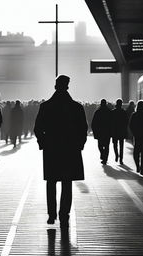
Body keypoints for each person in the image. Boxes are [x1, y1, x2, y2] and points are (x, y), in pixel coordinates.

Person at [34, 75, 87, 228]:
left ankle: (51, 214)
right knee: (67, 183)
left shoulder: (46, 106)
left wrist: (43, 143)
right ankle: (64, 214)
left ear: (55, 86)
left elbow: (38, 128)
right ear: (67, 87)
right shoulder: (76, 107)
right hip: (70, 150)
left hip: (52, 149)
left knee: (51, 182)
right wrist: (79, 145)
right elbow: (83, 129)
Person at [129, 100, 143, 175]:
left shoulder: (134, 115)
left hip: (137, 137)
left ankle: (138, 166)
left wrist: (134, 133)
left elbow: (131, 125)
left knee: (136, 153)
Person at [91, 99, 112, 165]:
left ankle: (102, 154)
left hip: (100, 131)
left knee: (100, 145)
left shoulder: (97, 112)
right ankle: (105, 159)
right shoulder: (109, 112)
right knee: (107, 146)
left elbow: (93, 123)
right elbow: (112, 122)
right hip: (107, 131)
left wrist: (95, 131)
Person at [111, 99, 128, 165]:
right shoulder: (123, 112)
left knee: (115, 145)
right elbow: (126, 122)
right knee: (121, 146)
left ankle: (116, 155)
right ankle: (121, 159)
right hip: (121, 131)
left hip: (115, 131)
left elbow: (111, 122)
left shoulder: (113, 112)